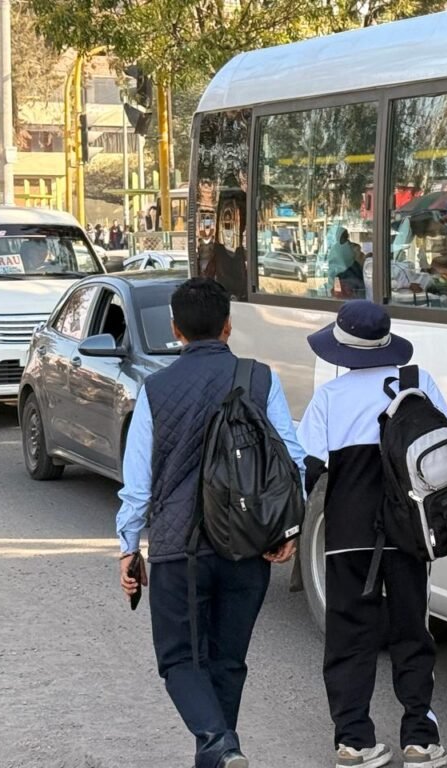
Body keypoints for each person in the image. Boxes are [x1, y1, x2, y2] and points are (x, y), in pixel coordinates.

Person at [115, 278, 306, 768]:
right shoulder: (259, 378)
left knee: (180, 659)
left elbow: (138, 483)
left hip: (179, 549)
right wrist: (286, 529)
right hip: (247, 545)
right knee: (228, 662)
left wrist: (128, 545)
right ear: (228, 326)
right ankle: (222, 750)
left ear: (175, 329)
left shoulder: (156, 389)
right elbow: (292, 459)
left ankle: (219, 744)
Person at [298, 300, 447, 768]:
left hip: (348, 532)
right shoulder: (417, 383)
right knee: (412, 630)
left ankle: (354, 742)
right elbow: (445, 456)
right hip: (409, 531)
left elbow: (310, 469)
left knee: (349, 635)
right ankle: (420, 740)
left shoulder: (330, 396)